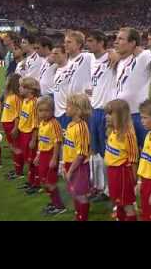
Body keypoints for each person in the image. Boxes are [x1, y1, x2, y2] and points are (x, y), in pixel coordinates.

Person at [86, 30, 114, 201]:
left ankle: (109, 189)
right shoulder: (91, 60)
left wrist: (113, 52)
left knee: (107, 152)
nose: (87, 44)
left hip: (106, 111)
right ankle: (99, 186)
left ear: (101, 42)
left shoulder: (111, 58)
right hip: (94, 110)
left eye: (90, 40)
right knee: (95, 151)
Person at [114, 27, 151, 149]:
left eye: (120, 39)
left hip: (138, 115)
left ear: (132, 43)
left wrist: (142, 51)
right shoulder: (120, 62)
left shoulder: (143, 56)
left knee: (143, 152)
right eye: (116, 38)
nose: (116, 42)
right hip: (123, 116)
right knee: (127, 154)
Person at [104, 99, 139, 221]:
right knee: (118, 202)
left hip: (122, 173)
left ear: (120, 115)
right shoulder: (112, 131)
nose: (107, 117)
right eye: (107, 113)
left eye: (110, 113)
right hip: (112, 171)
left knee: (126, 204)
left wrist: (133, 179)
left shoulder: (128, 135)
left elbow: (133, 158)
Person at [33, 96, 67, 216]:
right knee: (44, 181)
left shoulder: (54, 124)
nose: (43, 113)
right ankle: (54, 202)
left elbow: (57, 141)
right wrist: (38, 155)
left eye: (46, 111)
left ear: (53, 111)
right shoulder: (42, 123)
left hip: (50, 156)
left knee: (50, 182)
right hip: (43, 155)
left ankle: (59, 206)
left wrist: (54, 158)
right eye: (41, 111)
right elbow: (41, 141)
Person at [62, 93, 92, 221]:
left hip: (78, 166)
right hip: (70, 164)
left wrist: (70, 171)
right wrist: (64, 164)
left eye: (68, 106)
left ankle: (82, 217)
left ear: (78, 110)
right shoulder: (70, 125)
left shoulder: (81, 127)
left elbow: (81, 154)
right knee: (74, 192)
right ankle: (78, 215)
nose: (65, 108)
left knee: (80, 195)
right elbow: (68, 147)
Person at [15, 77, 41, 195]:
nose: (19, 88)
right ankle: (30, 181)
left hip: (30, 135)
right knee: (28, 159)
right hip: (23, 133)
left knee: (32, 160)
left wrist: (34, 139)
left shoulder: (35, 103)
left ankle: (37, 183)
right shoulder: (25, 101)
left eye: (22, 87)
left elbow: (36, 123)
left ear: (30, 90)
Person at [50, 45, 72, 131]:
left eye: (56, 53)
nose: (53, 56)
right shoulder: (56, 69)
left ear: (65, 54)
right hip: (57, 111)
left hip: (66, 111)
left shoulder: (70, 69)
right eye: (52, 54)